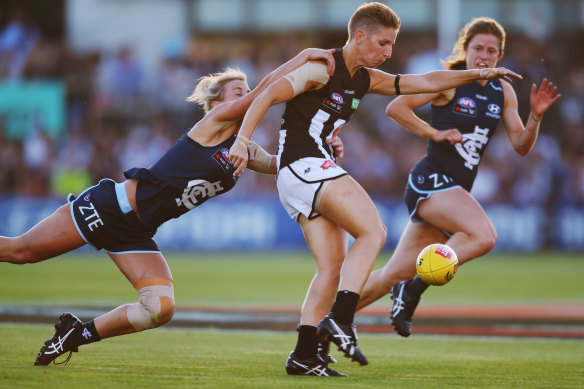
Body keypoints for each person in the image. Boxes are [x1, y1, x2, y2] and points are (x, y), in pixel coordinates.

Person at [228, 3, 521, 377]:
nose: (388, 52)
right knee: (374, 230)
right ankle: (340, 319)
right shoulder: (323, 66)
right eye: (383, 42)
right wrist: (242, 139)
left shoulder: (365, 78)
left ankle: (303, 355)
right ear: (360, 36)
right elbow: (268, 95)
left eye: (392, 44)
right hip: (303, 167)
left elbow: (426, 82)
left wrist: (476, 74)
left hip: (306, 172)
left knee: (332, 269)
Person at [0, 47, 341, 366]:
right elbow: (263, 94)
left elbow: (284, 163)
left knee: (159, 309)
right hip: (109, 208)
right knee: (19, 252)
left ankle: (75, 334)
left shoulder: (244, 147)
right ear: (218, 102)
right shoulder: (216, 120)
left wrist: (324, 148)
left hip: (135, 230)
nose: (246, 93)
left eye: (245, 88)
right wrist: (302, 57)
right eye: (239, 90)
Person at [355, 17, 561, 337]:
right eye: (477, 48)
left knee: (389, 276)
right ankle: (412, 291)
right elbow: (396, 108)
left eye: (491, 51)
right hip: (432, 182)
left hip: (454, 191)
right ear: (465, 50)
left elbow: (521, 145)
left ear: (499, 56)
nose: (484, 56)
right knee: (484, 236)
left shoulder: (503, 91)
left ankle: (324, 322)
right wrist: (433, 132)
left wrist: (534, 116)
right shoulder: (450, 80)